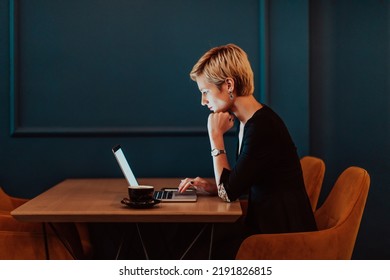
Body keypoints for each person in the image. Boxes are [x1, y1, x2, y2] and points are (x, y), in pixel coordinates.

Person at [178, 43, 317, 259]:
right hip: (266, 227)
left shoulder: (261, 127)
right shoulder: (249, 122)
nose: (203, 101)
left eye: (206, 92)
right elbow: (240, 183)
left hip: (281, 238)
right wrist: (214, 187)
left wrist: (216, 138)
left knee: (201, 250)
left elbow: (229, 194)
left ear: (229, 85)